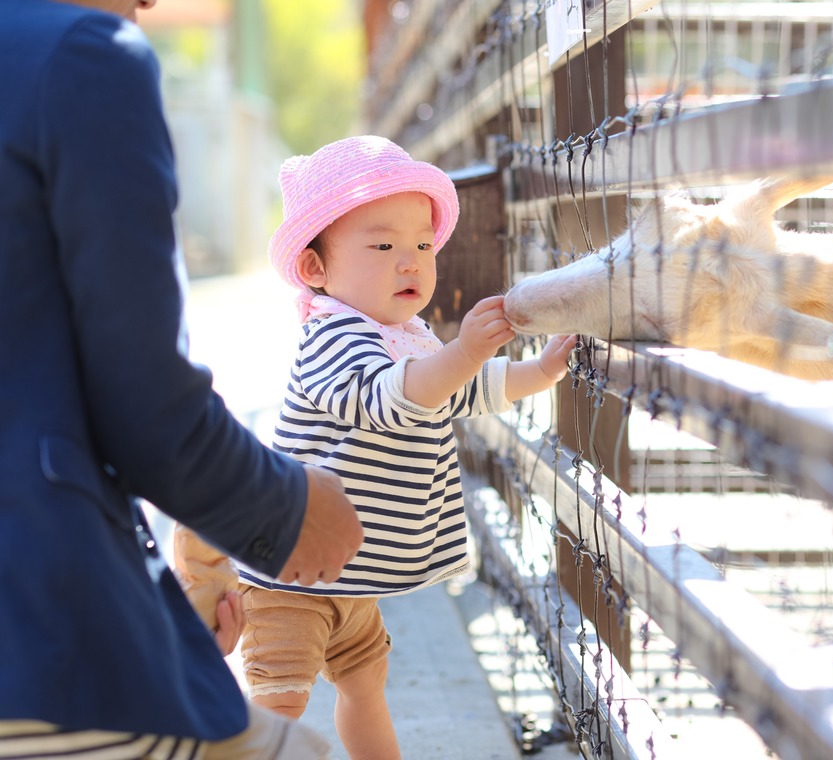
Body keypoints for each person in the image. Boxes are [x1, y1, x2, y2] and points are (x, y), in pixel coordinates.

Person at [0, 1, 365, 758]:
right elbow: (142, 400)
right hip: (38, 638)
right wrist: (289, 510)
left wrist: (157, 617)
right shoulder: (83, 56)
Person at [233, 135, 577, 759]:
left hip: (348, 575)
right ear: (315, 270)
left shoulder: (406, 334)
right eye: (384, 246)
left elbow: (461, 390)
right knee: (281, 699)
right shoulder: (332, 337)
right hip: (290, 574)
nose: (411, 263)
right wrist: (463, 351)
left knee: (366, 688)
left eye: (422, 245)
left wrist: (539, 371)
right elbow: (392, 397)